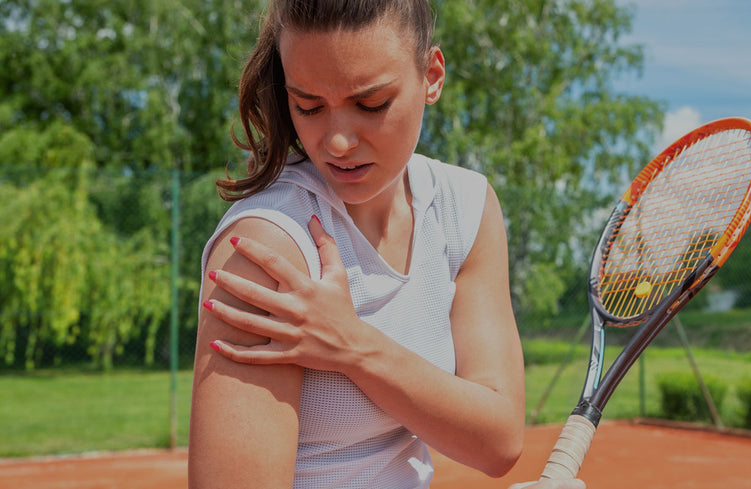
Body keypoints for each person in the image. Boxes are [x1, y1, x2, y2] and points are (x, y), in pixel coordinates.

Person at [187, 1, 583, 488]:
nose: (336, 142)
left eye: (370, 104)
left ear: (431, 76)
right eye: (308, 106)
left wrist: (353, 345)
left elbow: (497, 441)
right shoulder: (265, 248)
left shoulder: (466, 207)